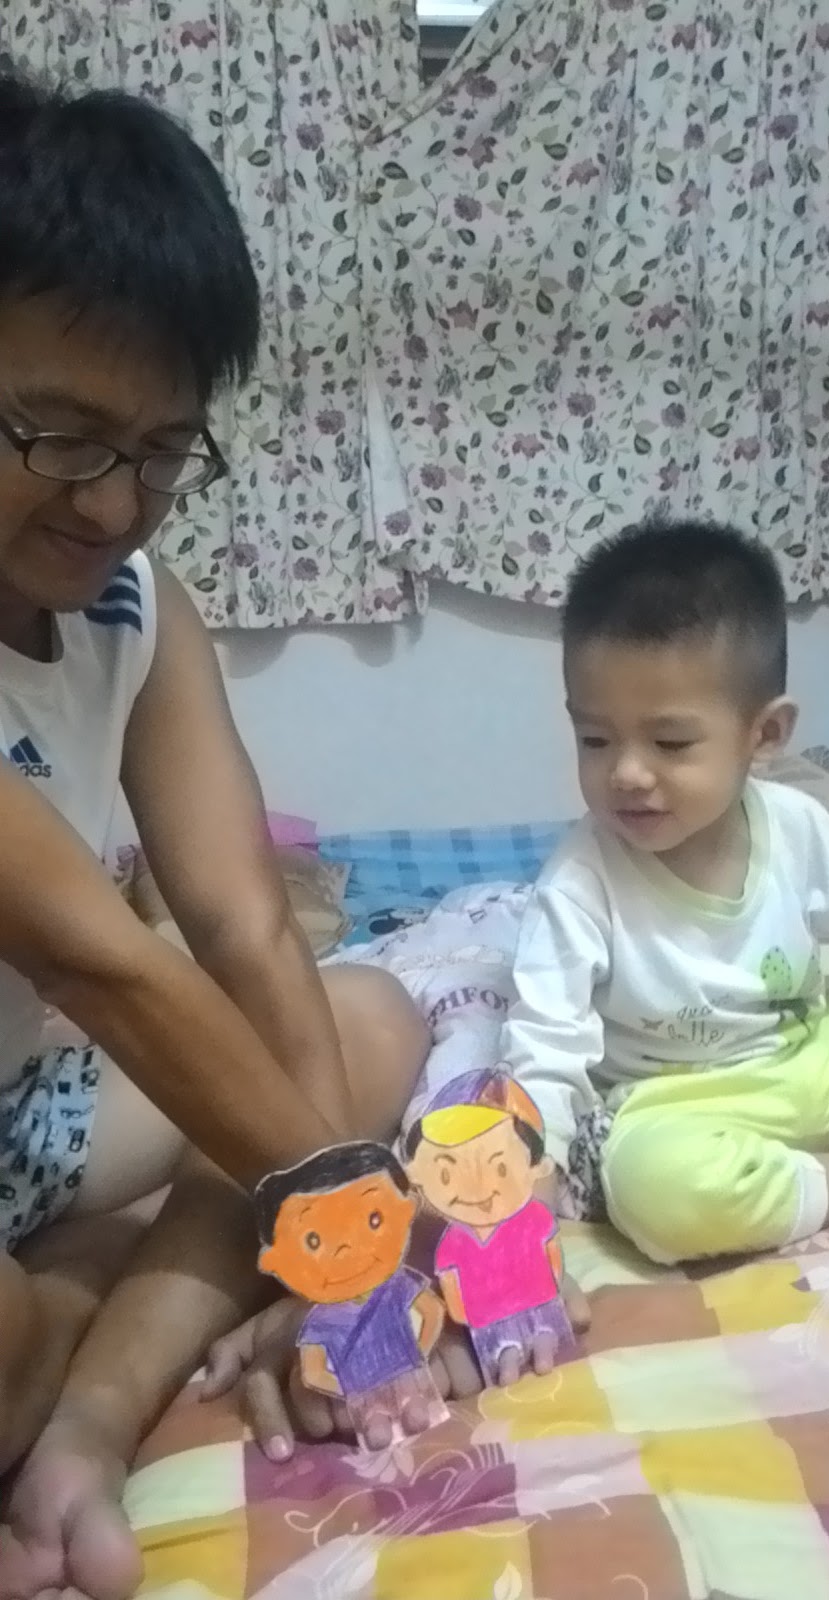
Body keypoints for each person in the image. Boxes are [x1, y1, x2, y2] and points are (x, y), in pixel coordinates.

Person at [0, 70, 431, 1600]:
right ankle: (66, 1313)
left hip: (30, 1119)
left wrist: (332, 1210)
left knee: (366, 1021)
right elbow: (99, 960)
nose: (115, 506)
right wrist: (354, 1229)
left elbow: (243, 925)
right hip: (73, 1047)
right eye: (63, 437)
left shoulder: (135, 611)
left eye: (164, 451)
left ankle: (82, 1428)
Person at [499, 519, 829, 1265]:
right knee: (654, 1191)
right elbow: (544, 1054)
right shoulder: (580, 884)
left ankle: (815, 1155)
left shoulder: (801, 826)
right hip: (677, 1107)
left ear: (764, 736)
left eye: (670, 743)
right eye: (595, 740)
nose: (627, 772)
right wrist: (531, 1186)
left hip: (816, 1057)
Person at [257, 1142, 445, 1449]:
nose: (345, 1248)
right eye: (313, 1240)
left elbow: (433, 1311)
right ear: (273, 1262)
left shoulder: (398, 1286)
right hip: (366, 1395)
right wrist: (351, 1388)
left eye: (372, 1219)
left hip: (405, 1377)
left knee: (414, 1412)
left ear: (408, 1208)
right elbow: (313, 1372)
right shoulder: (323, 1318)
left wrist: (418, 1354)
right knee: (378, 1427)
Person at [404, 1069, 575, 1386]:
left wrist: (545, 1281)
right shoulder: (453, 1244)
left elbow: (550, 1254)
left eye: (499, 1167)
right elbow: (452, 1286)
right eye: (448, 1174)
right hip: (484, 1320)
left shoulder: (533, 1219)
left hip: (533, 1303)